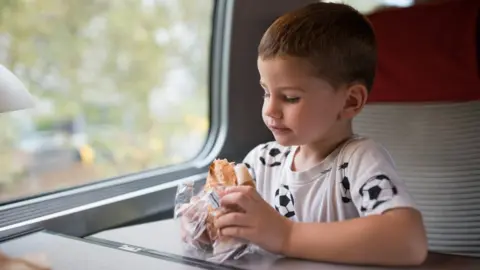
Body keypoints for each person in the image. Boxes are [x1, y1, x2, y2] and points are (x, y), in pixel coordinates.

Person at [212, 2, 428, 267]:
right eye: (266, 92)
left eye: (290, 98)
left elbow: (409, 242)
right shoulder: (262, 162)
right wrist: (210, 224)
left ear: (350, 102)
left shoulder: (358, 161)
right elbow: (231, 223)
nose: (270, 110)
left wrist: (286, 235)